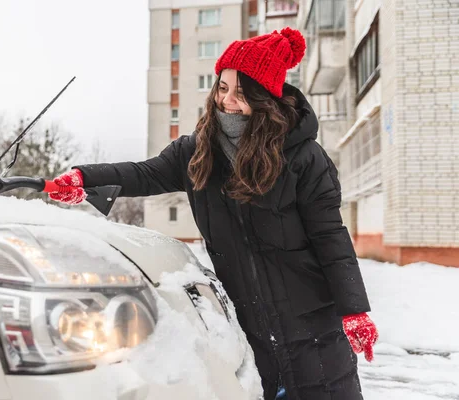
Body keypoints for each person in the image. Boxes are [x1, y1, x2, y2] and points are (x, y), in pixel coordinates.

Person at [48, 27, 378, 400]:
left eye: (241, 93)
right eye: (222, 88)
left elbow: (330, 236)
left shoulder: (302, 157)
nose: (228, 101)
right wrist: (84, 178)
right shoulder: (197, 152)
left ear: (264, 95)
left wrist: (354, 310)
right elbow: (144, 173)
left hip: (310, 322)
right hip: (249, 325)